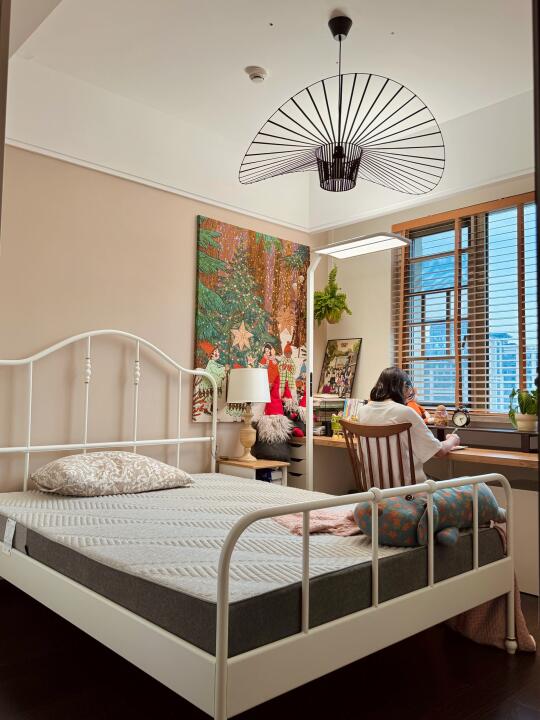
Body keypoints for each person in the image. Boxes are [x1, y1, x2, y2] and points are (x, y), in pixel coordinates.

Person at [355, 367, 460, 485]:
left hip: (374, 491)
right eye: (408, 389)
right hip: (408, 491)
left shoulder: (362, 411)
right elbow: (439, 451)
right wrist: (453, 440)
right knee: (468, 485)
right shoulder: (405, 412)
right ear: (404, 387)